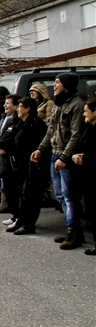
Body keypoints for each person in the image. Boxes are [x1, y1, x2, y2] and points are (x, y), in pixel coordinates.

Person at [32, 72, 85, 250]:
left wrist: (64, 157)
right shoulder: (57, 104)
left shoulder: (76, 105)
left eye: (57, 82)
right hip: (54, 153)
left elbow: (76, 134)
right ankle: (71, 227)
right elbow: (51, 130)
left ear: (66, 85)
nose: (54, 85)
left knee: (70, 196)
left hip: (66, 157)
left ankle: (74, 231)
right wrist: (40, 149)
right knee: (60, 195)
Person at [0, 97, 48, 235]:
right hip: (22, 165)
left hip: (33, 166)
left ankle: (29, 224)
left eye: (20, 107)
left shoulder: (35, 124)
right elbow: (14, 140)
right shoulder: (22, 123)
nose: (18, 109)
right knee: (22, 194)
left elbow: (33, 145)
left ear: (27, 109)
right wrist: (2, 145)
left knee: (31, 195)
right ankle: (21, 219)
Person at [71, 98, 96, 254]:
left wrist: (85, 157)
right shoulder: (88, 128)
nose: (84, 114)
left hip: (93, 173)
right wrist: (76, 156)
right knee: (90, 209)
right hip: (86, 174)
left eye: (87, 111)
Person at [0, 95, 20, 215]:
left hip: (12, 157)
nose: (5, 106)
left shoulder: (18, 120)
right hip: (1, 154)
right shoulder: (4, 117)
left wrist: (3, 147)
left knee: (12, 185)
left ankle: (15, 213)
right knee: (3, 179)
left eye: (8, 103)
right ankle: (8, 206)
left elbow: (14, 138)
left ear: (16, 106)